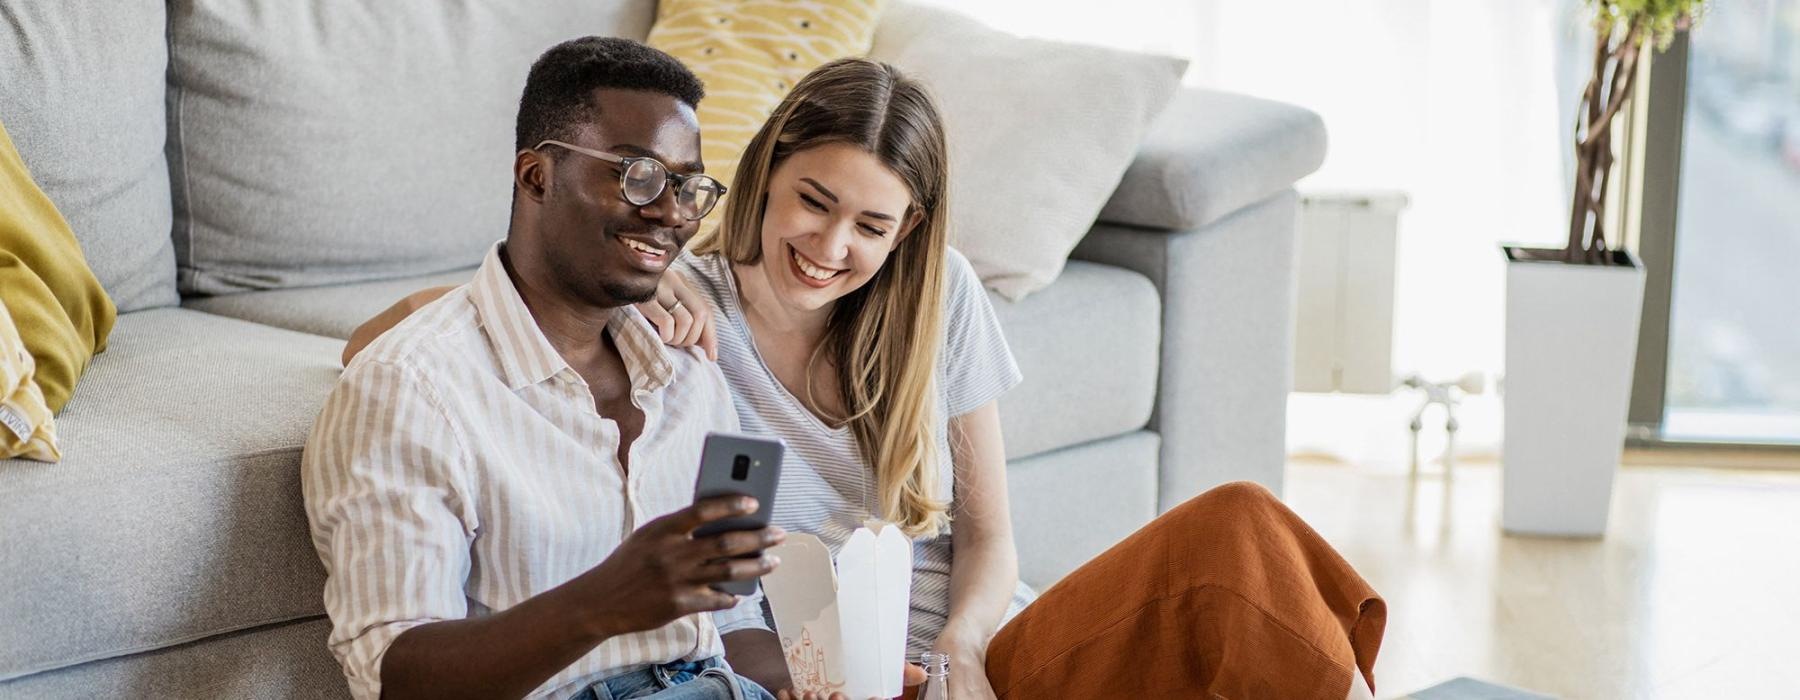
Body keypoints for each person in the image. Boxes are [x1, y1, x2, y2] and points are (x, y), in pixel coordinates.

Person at [344, 57, 1387, 700]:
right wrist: (651, 295)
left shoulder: (944, 300)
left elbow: (989, 539)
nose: (831, 245)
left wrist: (970, 653)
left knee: (1241, 540)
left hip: (987, 656)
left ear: (908, 233)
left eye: (871, 226)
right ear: (768, 167)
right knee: (1233, 576)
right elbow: (403, 337)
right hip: (836, 673)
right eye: (813, 201)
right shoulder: (677, 302)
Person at [303, 37, 801, 700]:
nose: (672, 214)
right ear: (538, 177)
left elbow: (733, 616)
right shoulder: (410, 387)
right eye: (638, 176)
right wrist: (601, 603)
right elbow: (394, 674)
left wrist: (815, 679)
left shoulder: (690, 373)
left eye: (688, 187)